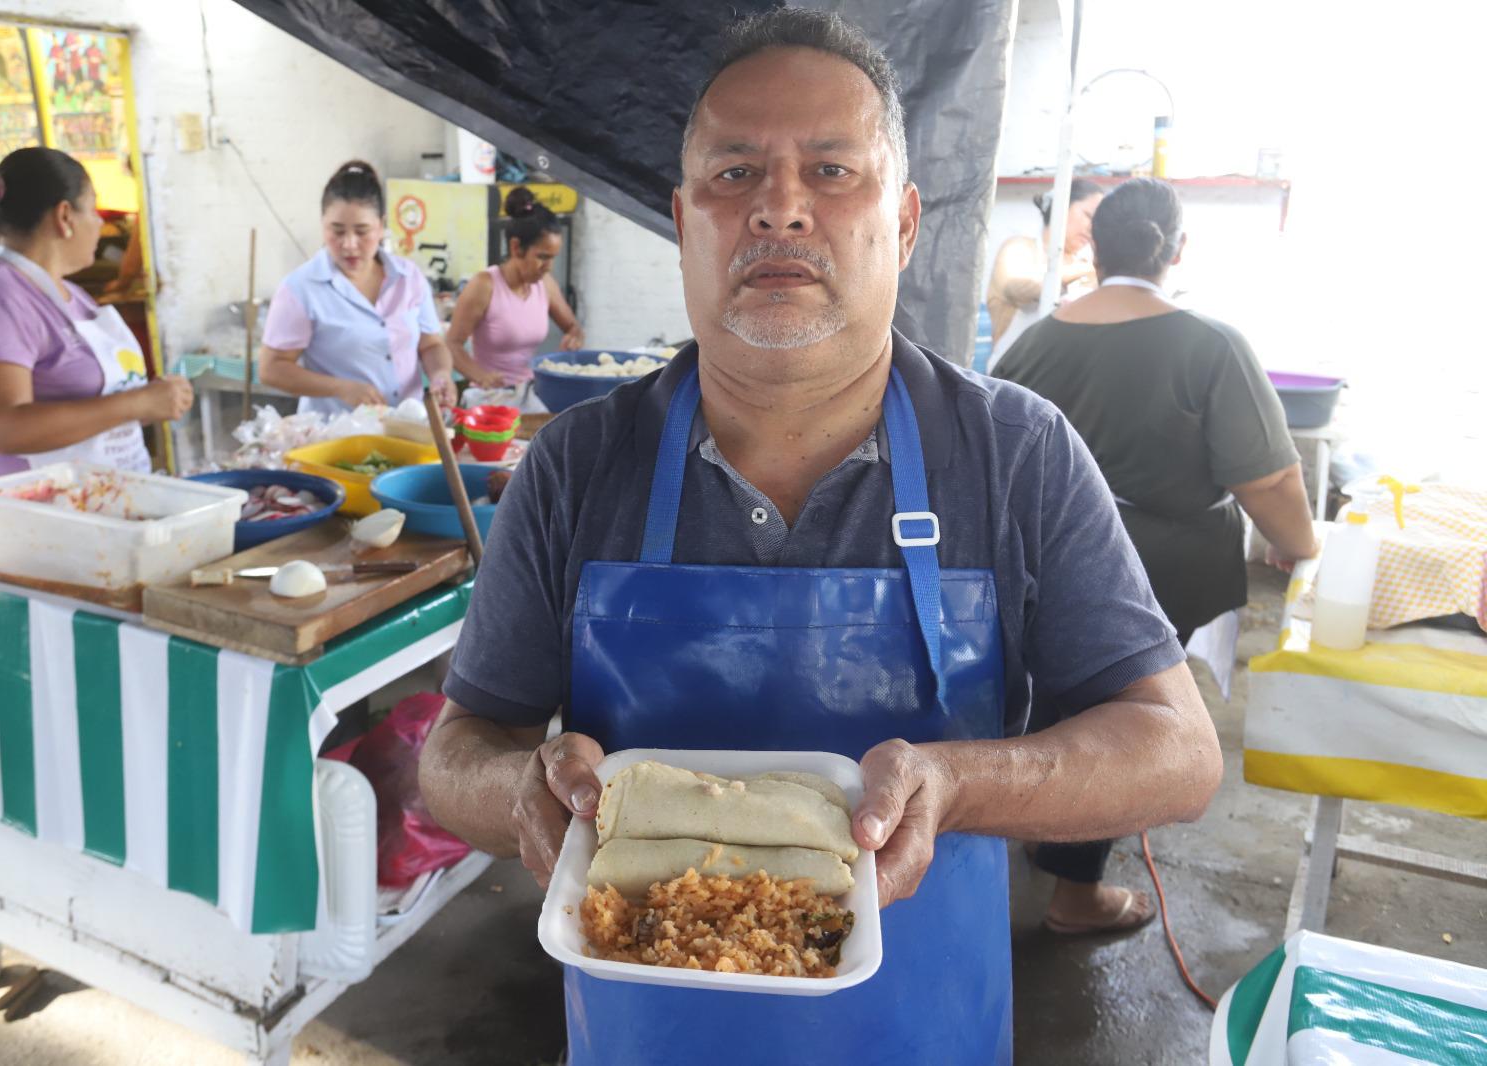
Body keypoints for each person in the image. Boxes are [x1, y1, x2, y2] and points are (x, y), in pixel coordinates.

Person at [416, 12, 1222, 1065]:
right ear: (681, 217)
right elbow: (456, 752)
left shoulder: (1013, 452)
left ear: (903, 223)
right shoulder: (576, 464)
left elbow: (1177, 751)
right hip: (644, 1036)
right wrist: (514, 792)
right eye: (734, 172)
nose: (779, 209)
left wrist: (958, 783)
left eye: (832, 171)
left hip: (920, 1033)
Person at [995, 178, 1316, 934]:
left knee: (1049, 701)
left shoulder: (1034, 340)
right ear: (1175, 250)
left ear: (1092, 248)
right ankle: (1076, 893)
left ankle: (1025, 827)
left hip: (1034, 561)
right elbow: (1265, 475)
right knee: (1124, 716)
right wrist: (1299, 544)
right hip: (1152, 568)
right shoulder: (1210, 344)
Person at [0, 146, 190, 478]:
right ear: (64, 216)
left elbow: (85, 402)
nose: (99, 222)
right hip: (31, 509)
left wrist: (149, 400)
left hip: (92, 500)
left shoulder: (72, 296)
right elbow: (3, 427)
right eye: (92, 209)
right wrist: (136, 403)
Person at [258, 161, 457, 415]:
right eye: (337, 231)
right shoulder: (301, 288)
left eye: (362, 231)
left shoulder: (408, 278)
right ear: (322, 224)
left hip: (407, 430)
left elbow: (431, 345)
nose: (349, 244)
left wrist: (441, 374)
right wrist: (340, 388)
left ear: (381, 225)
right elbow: (271, 368)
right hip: (336, 436)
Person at [446, 186, 584, 403]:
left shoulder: (544, 285)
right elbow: (452, 345)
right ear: (516, 247)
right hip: (488, 397)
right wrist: (481, 377)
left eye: (553, 258)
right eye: (542, 257)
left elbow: (573, 327)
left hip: (528, 393)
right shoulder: (484, 285)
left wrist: (573, 338)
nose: (548, 266)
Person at [984, 177, 1104, 371]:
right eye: (1088, 216)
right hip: (1014, 376)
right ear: (1061, 207)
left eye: (1098, 222)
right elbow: (1016, 288)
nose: (1092, 228)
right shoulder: (1018, 248)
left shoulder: (1086, 267)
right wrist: (1091, 268)